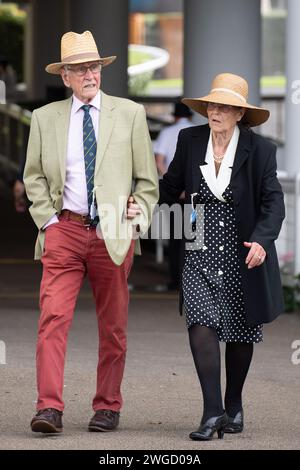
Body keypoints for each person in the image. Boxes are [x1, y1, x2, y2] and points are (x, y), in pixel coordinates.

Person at [23, 30, 158, 434]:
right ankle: (49, 407)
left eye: (94, 66)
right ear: (65, 76)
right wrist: (47, 220)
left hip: (113, 232)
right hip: (63, 228)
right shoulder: (44, 118)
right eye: (80, 68)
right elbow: (32, 177)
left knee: (113, 326)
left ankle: (108, 406)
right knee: (53, 319)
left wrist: (138, 214)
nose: (89, 74)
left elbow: (147, 182)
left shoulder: (130, 113)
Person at [158, 73, 285, 440]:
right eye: (212, 105)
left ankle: (234, 403)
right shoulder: (190, 139)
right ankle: (212, 412)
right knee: (200, 321)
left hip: (242, 251)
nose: (215, 111)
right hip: (198, 246)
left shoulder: (260, 150)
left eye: (224, 107)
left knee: (240, 330)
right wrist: (142, 207)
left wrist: (262, 240)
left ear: (239, 114)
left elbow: (273, 203)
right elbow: (170, 187)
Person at [154, 102, 193, 289]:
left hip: (173, 193)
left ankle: (175, 280)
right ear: (190, 116)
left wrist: (173, 183)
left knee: (175, 237)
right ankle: (192, 281)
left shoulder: (167, 133)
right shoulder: (198, 133)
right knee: (194, 238)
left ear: (174, 116)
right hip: (195, 194)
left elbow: (159, 161)